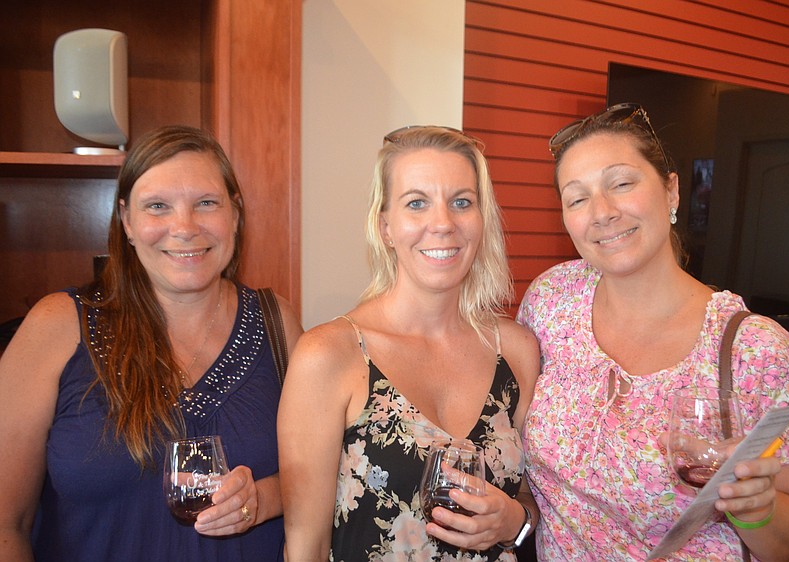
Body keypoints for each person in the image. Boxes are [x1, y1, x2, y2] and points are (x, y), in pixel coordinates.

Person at [516, 103, 789, 561]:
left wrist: (756, 509)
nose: (601, 212)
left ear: (672, 190)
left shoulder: (756, 352)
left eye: (621, 183)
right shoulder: (551, 301)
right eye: (577, 197)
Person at [0, 125, 302, 561]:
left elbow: (327, 475)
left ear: (235, 214)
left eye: (206, 203)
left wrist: (263, 497)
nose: (184, 227)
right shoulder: (56, 325)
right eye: (158, 206)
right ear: (126, 221)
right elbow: (7, 523)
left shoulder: (278, 324)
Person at [278, 126, 540, 560]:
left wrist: (515, 521)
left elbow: (532, 499)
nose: (443, 223)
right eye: (417, 203)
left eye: (462, 202)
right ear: (385, 227)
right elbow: (305, 546)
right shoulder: (330, 355)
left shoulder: (515, 351)